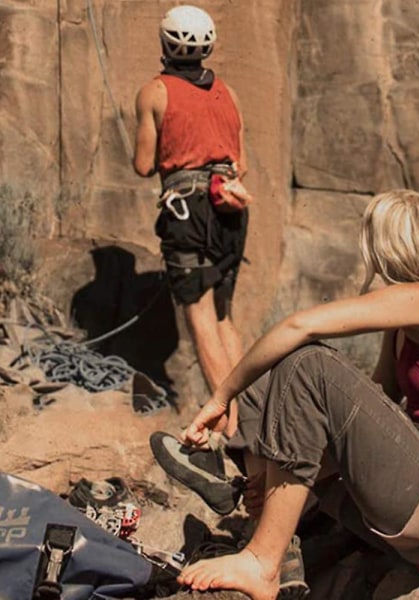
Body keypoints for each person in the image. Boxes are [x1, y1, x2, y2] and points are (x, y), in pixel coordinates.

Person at [177, 189, 419, 600]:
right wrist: (275, 467)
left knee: (307, 364)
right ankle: (272, 531)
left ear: (386, 250)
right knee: (266, 382)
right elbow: (375, 414)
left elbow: (299, 326)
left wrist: (220, 397)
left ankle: (261, 562)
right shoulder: (407, 322)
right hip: (417, 498)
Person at [133, 4, 250, 436]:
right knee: (223, 316)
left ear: (166, 43)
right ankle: (248, 420)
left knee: (200, 319)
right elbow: (243, 163)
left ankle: (226, 431)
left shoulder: (154, 93)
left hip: (188, 212)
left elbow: (144, 165)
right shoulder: (229, 92)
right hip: (231, 205)